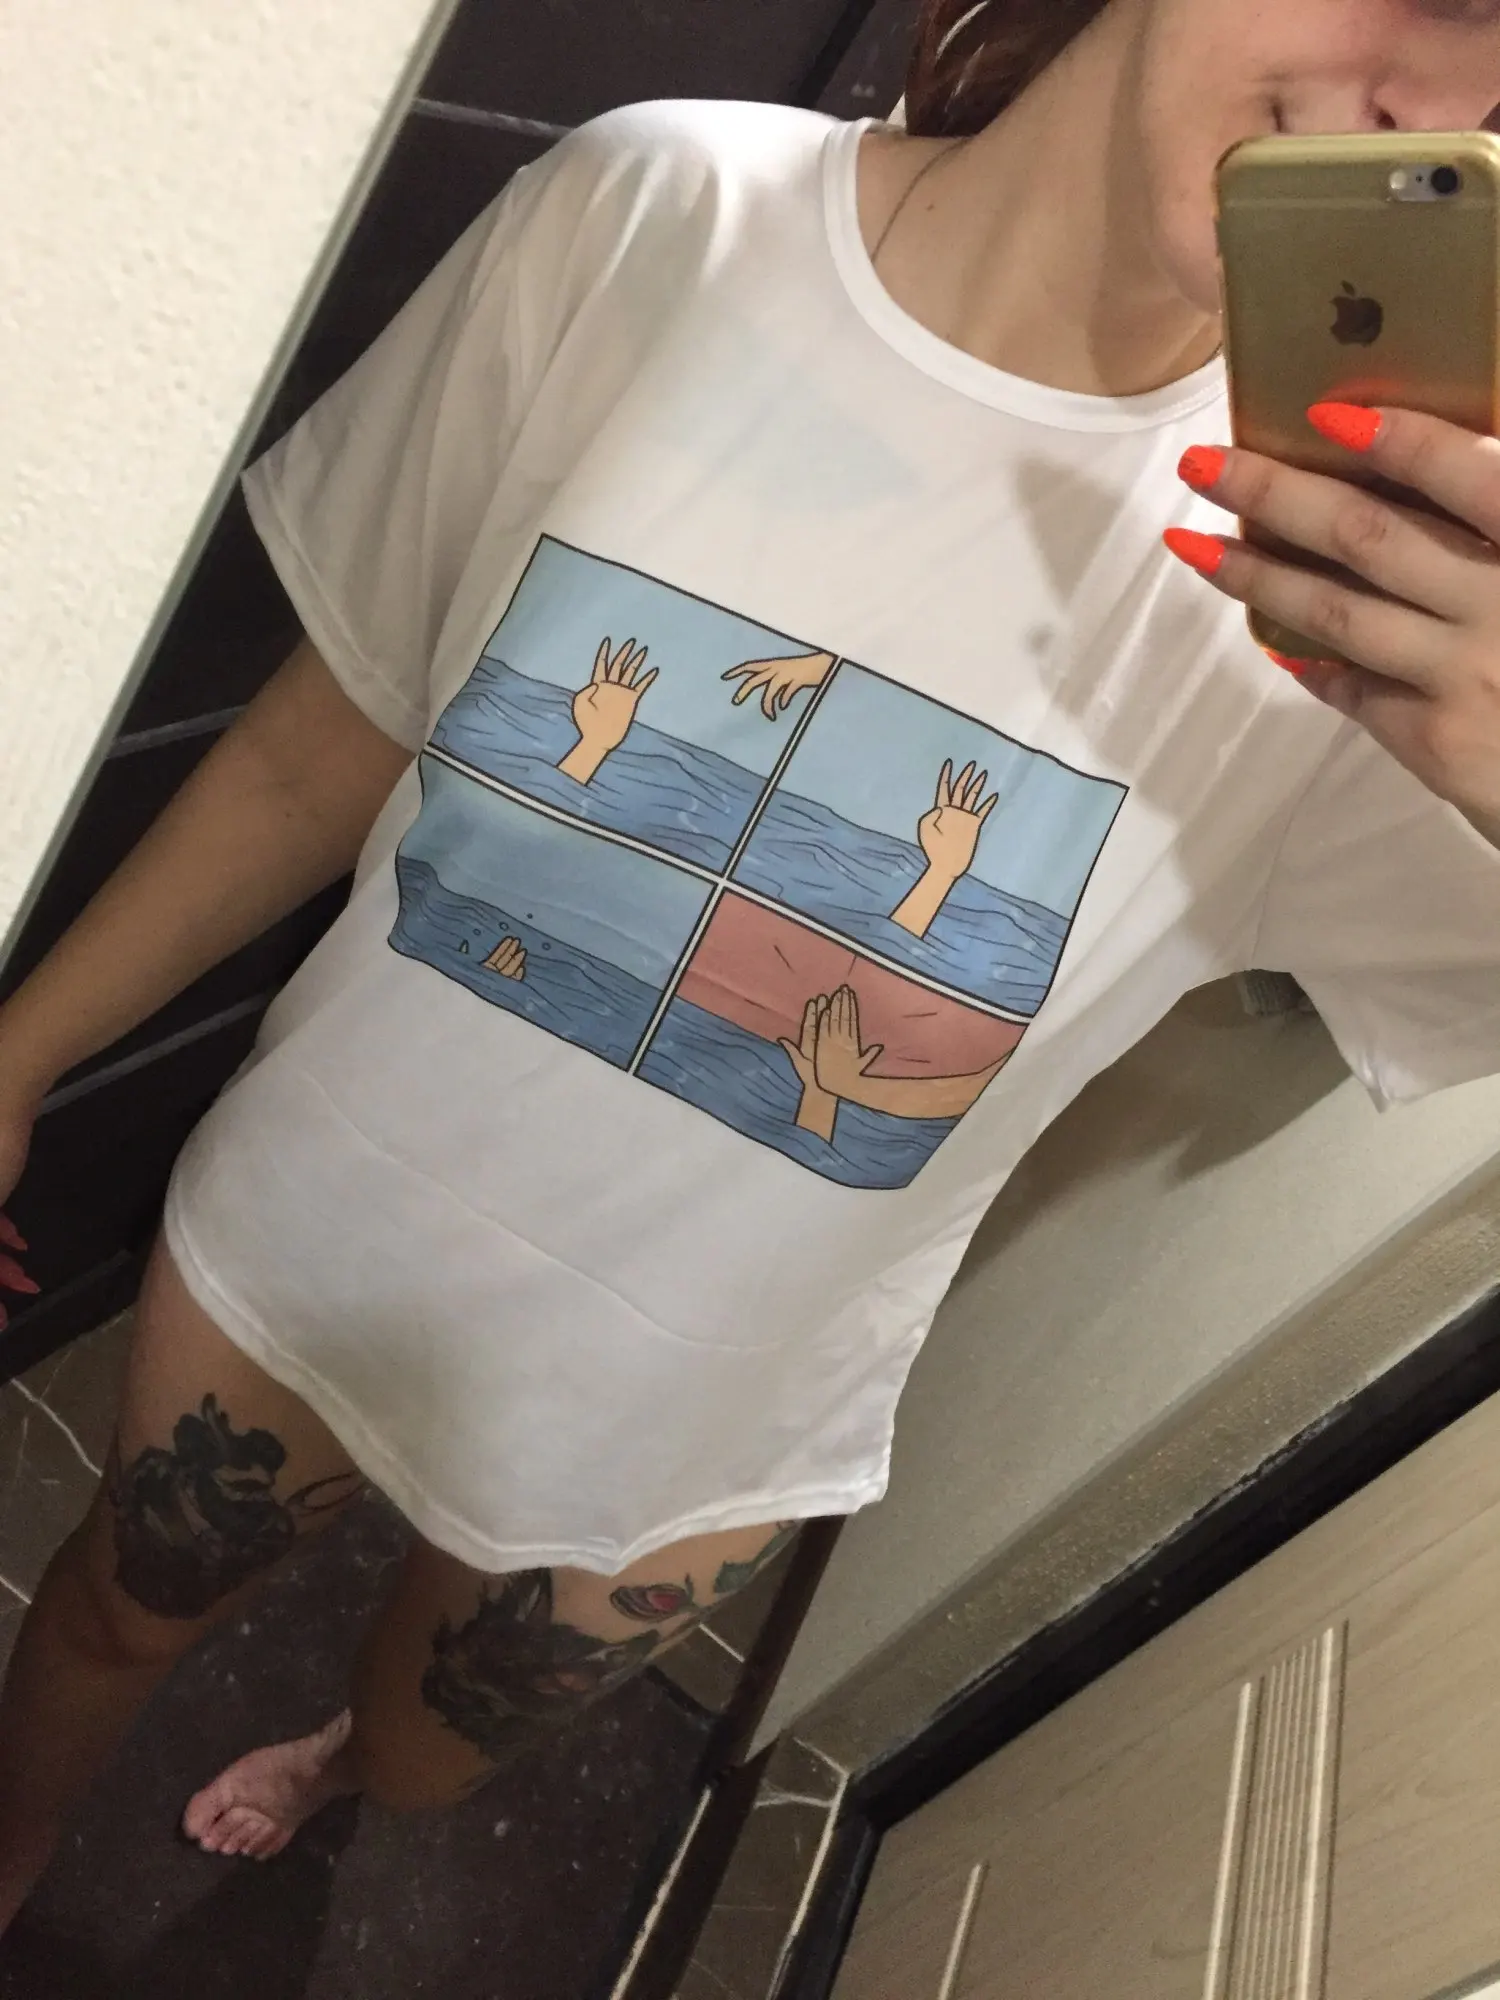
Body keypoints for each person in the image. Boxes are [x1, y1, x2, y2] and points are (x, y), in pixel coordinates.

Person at [1, 0, 1500, 1932]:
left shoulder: (1371, 600)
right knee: (112, 1615)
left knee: (420, 1754)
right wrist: (23, 1049)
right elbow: (332, 728)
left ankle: (325, 1765)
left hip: (685, 1433)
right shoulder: (662, 211)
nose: (1443, 105)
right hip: (321, 1222)